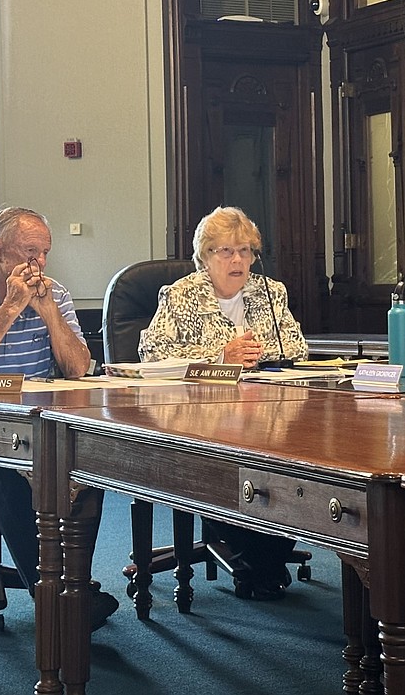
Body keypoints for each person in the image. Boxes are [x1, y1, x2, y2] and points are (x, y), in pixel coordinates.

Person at [0, 206, 118, 629]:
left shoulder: (57, 294)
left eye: (46, 252)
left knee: (88, 467)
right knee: (7, 474)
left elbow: (77, 369)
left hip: (37, 425)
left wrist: (49, 312)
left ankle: (75, 584)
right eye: (30, 252)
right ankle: (55, 597)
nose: (41, 264)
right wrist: (11, 308)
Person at [139, 206, 307, 599]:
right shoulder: (181, 294)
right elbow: (153, 352)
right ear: (205, 257)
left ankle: (260, 561)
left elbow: (297, 346)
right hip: (199, 417)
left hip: (265, 415)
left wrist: (258, 353)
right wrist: (222, 355)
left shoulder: (271, 291)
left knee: (289, 472)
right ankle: (258, 564)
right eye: (226, 251)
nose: (238, 260)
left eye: (246, 251)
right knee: (226, 469)